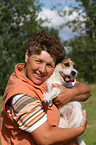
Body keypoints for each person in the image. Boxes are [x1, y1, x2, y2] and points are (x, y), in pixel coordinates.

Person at [0, 31, 91, 145]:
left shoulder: (43, 78)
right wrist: (79, 130)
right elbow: (46, 139)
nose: (42, 70)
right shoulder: (21, 95)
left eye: (49, 65)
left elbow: (87, 91)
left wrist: (70, 93)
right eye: (38, 61)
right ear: (27, 56)